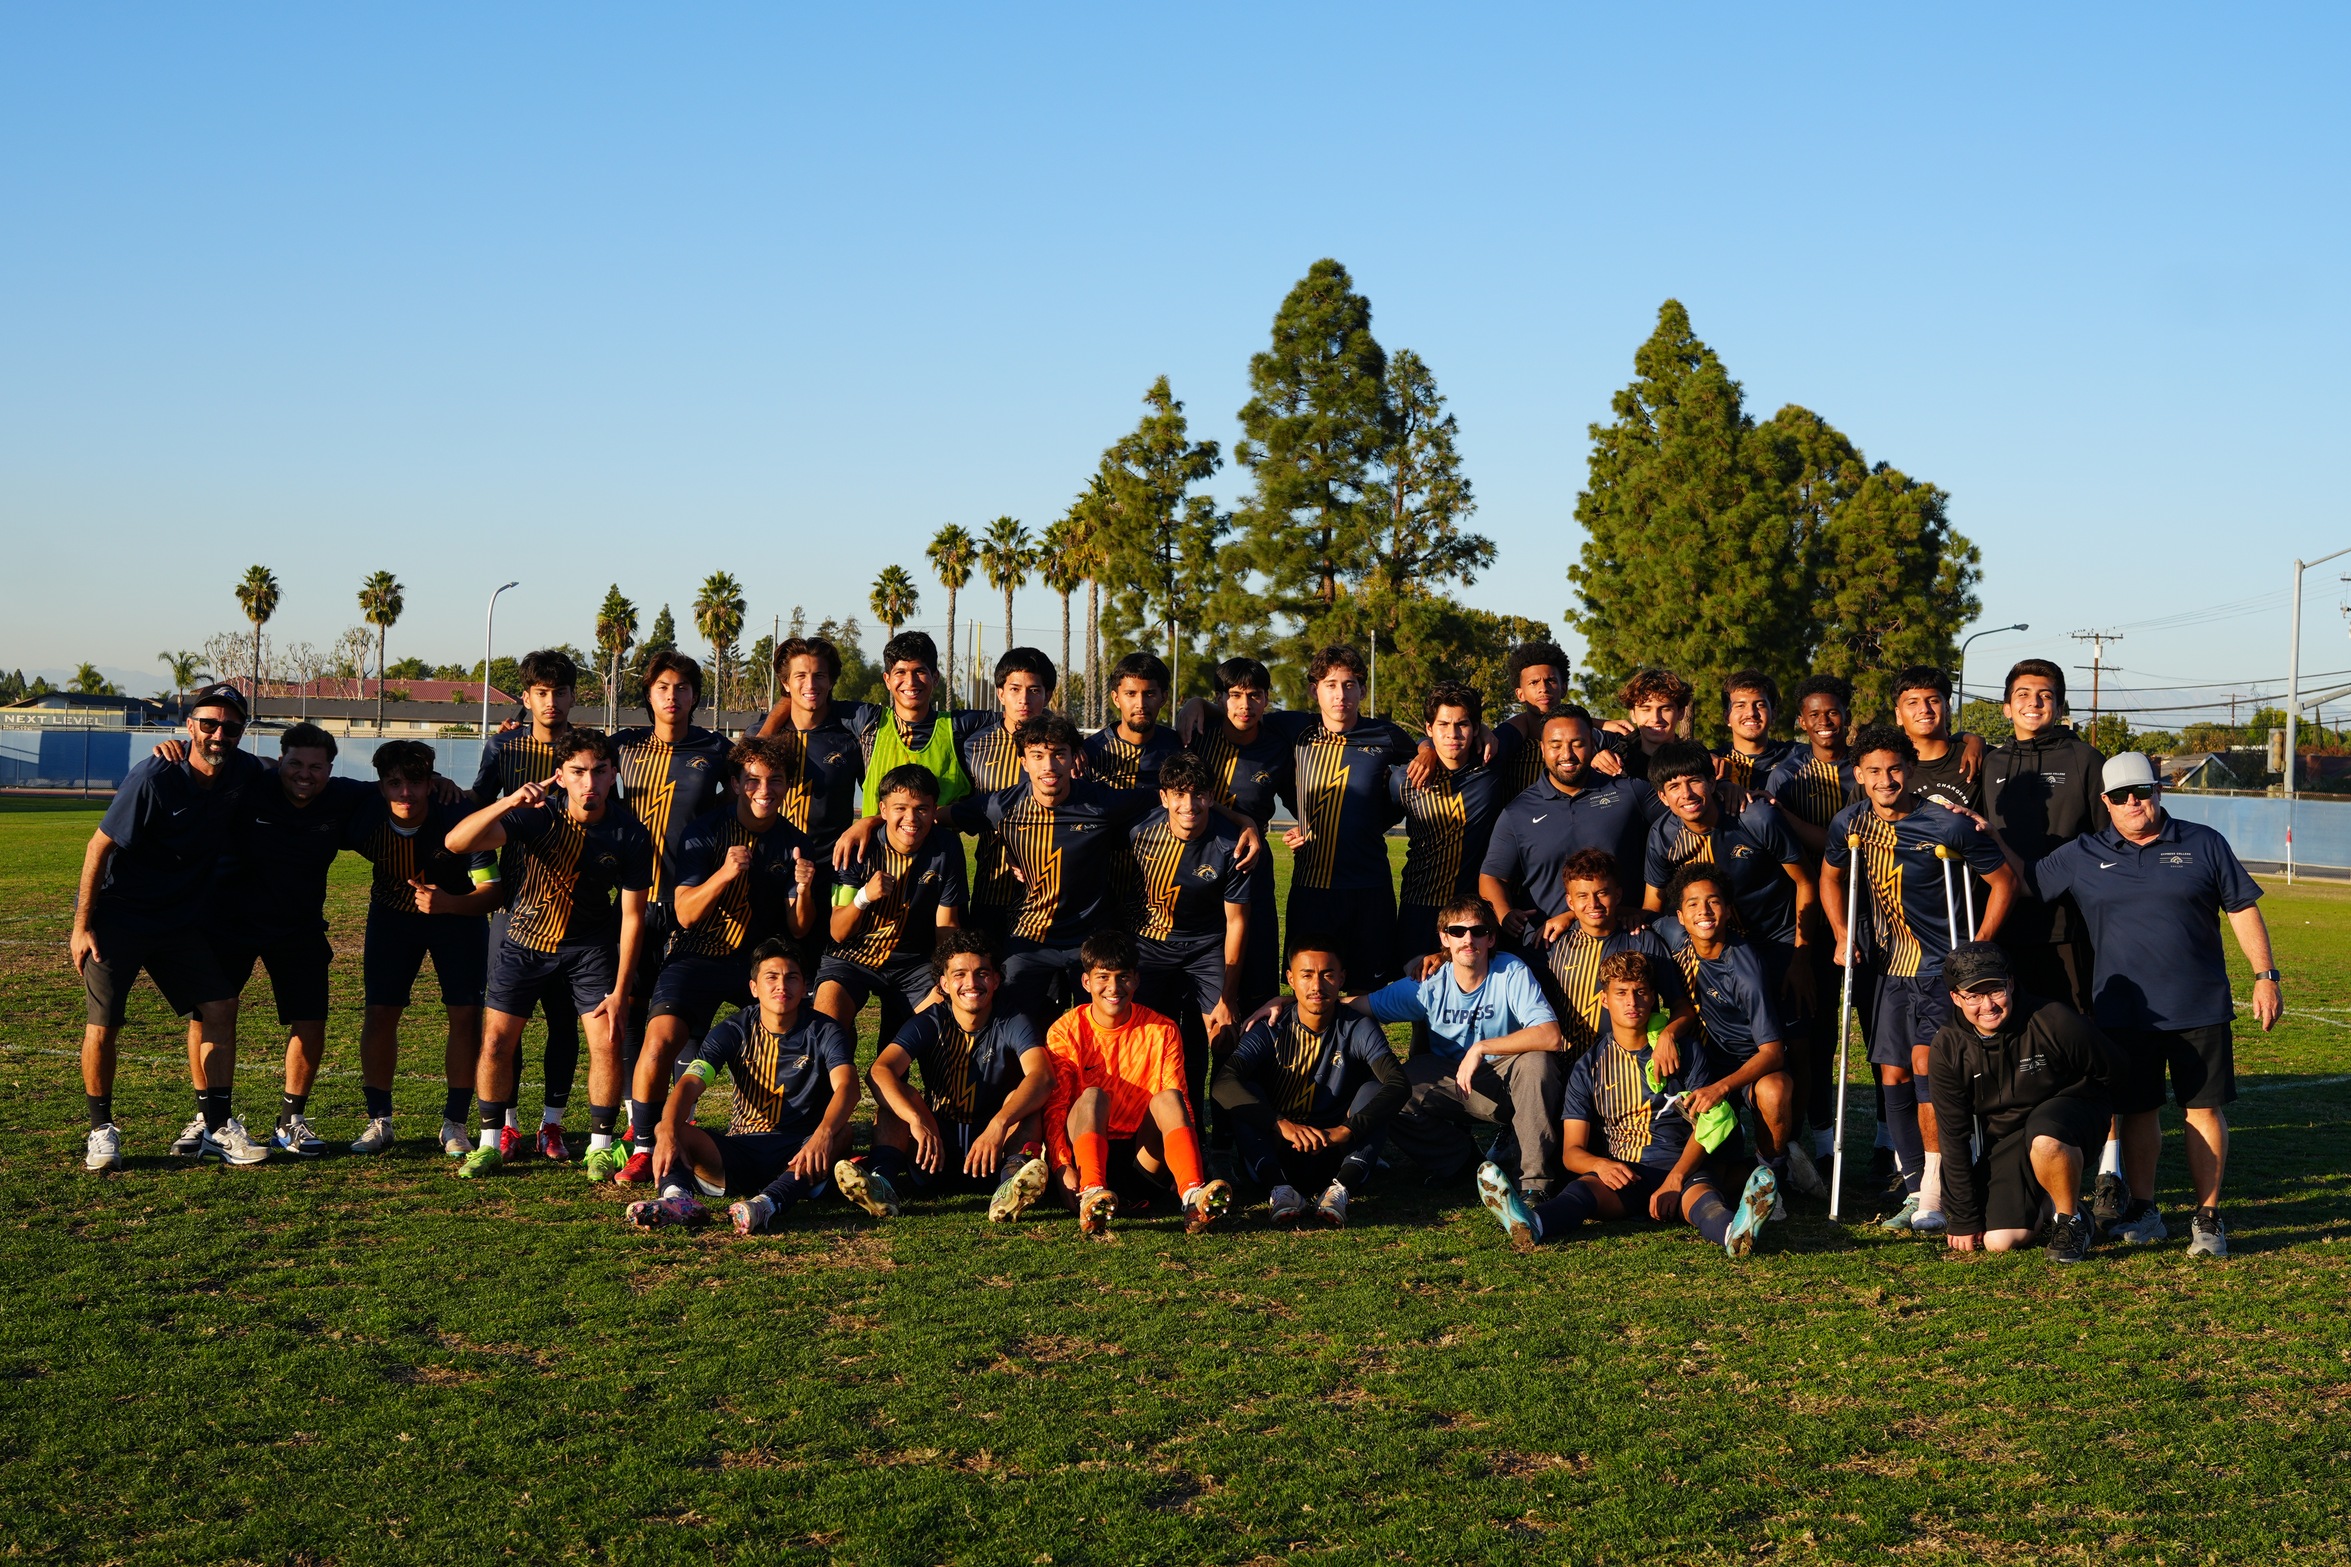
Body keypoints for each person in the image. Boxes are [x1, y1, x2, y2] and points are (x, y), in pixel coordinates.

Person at [2006, 752, 2280, 1259]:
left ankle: (2209, 1216)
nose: (2134, 802)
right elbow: (2019, 884)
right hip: (2123, 1012)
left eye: (2143, 792)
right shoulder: (2082, 852)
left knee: (2202, 1109)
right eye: (2120, 796)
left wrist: (2265, 977)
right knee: (2137, 1111)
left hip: (2199, 1006)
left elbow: (2242, 907)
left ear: (2159, 791)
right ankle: (2146, 1210)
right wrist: (1977, 832)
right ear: (2104, 802)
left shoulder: (2203, 842)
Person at [1820, 725, 2016, 1234]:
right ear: (1858, 776)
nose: (1885, 780)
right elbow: (1829, 876)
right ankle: (1914, 1186)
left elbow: (2002, 882)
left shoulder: (1946, 824)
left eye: (1894, 769)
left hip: (1938, 968)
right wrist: (1842, 932)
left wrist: (1977, 949)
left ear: (1909, 770)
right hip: (1889, 970)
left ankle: (1938, 1189)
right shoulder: (1850, 824)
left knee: (1930, 1067)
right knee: (1893, 1075)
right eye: (1874, 771)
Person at [73, 683, 267, 1170]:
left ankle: (217, 1127)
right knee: (105, 1024)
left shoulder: (244, 771)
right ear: (189, 726)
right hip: (120, 918)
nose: (219, 733)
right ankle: (101, 1130)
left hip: (180, 921)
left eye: (230, 725)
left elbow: (301, 776)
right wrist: (82, 926)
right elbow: (99, 849)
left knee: (220, 1005)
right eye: (209, 723)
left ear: (242, 731)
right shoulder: (154, 776)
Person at [446, 726, 654, 1178]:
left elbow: (633, 917)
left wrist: (620, 990)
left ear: (614, 774)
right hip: (524, 942)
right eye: (578, 771)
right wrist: (506, 802)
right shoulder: (535, 815)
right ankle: (487, 1142)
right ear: (560, 776)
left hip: (590, 949)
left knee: (607, 1041)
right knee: (497, 1041)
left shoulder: (631, 833)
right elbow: (456, 843)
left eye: (600, 772)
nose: (589, 783)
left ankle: (599, 1146)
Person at [1480, 952, 1777, 1259]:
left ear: (1654, 998)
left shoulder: (1684, 1051)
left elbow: (1709, 1124)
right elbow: (1572, 1152)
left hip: (1685, 1169)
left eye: (1640, 992)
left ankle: (1735, 1232)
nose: (1632, 1002)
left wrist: (1675, 1178)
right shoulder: (1589, 1066)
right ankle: (1530, 1223)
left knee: (1707, 1203)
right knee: (1580, 1193)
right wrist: (1600, 1165)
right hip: (1626, 1175)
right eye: (1621, 993)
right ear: (1605, 1000)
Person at [617, 734, 820, 1182]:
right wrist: (725, 872)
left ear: (787, 786)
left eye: (774, 781)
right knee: (659, 1042)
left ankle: (795, 1136)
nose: (763, 790)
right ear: (734, 783)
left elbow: (799, 928)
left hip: (758, 966)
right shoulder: (707, 830)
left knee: (801, 1044)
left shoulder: (795, 843)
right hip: (699, 954)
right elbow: (686, 915)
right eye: (752, 781)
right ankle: (647, 1144)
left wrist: (804, 889)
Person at [1639, 738, 1823, 1182]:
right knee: (1717, 1049)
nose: (1686, 793)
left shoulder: (1754, 817)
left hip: (1776, 946)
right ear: (1662, 797)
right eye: (1674, 786)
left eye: (1694, 780)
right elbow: (1653, 908)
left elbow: (1805, 882)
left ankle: (1787, 1147)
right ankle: (1728, 1151)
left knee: (1792, 1050)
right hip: (1712, 953)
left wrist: (1801, 956)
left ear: (1714, 780)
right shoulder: (1663, 835)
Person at [195, 722, 382, 1158]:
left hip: (298, 927)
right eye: (295, 763)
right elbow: (206, 762)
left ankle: (290, 1120)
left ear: (330, 769)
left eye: (316, 767)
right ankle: (208, 1119)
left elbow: (392, 786)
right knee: (208, 1017)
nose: (305, 774)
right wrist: (170, 748)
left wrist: (439, 781)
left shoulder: (343, 795)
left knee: (310, 1020)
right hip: (230, 924)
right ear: (279, 761)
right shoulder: (252, 785)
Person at [1973, 659, 2112, 1207]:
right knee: (2015, 1051)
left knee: (2084, 1048)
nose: (2035, 702)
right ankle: (2023, 1166)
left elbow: (2109, 841)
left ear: (2060, 703)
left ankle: (2108, 1171)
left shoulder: (2083, 759)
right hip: (2005, 933)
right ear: (2006, 706)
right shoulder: (1988, 760)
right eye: (2024, 694)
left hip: (2071, 932)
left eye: (2047, 694)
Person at [627, 939, 859, 1235]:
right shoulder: (733, 1029)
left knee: (842, 1132)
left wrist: (823, 1134)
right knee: (672, 1128)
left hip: (799, 1148)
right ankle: (678, 1201)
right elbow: (689, 1084)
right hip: (740, 1147)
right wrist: (668, 1129)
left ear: (804, 988)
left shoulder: (825, 1029)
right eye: (771, 977)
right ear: (753, 988)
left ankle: (767, 1204)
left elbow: (848, 1087)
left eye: (792, 978)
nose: (781, 986)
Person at [343, 740, 504, 1157]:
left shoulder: (456, 815)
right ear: (380, 786)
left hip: (458, 920)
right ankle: (379, 1119)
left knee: (465, 1016)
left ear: (432, 782)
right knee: (380, 1013)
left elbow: (491, 891)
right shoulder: (362, 810)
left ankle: (455, 1122)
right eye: (394, 783)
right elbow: (293, 776)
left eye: (415, 782)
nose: (406, 794)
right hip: (392, 919)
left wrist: (450, 903)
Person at [1356, 893, 1565, 1198]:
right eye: (1457, 932)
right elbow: (1360, 1005)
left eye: (1478, 931)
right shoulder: (1428, 981)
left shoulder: (1511, 970)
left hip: (1508, 1079)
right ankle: (1459, 1161)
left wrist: (1480, 1048)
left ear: (1492, 938)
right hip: (1453, 1083)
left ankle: (1535, 1185)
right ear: (1444, 938)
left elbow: (1550, 1035)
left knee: (1537, 1062)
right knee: (1389, 1090)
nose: (1469, 940)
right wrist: (1292, 1002)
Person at [842, 929, 1055, 1222]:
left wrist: (998, 1123)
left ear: (996, 980)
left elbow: (1042, 1076)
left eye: (982, 973)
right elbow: (880, 1071)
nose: (971, 983)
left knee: (1024, 1104)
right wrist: (916, 1119)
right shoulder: (930, 1020)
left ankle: (1010, 1185)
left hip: (993, 1149)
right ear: (943, 983)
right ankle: (883, 1185)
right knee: (898, 1098)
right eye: (959, 974)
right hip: (935, 1148)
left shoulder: (1013, 1020)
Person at [1925, 943, 2117, 1263]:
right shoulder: (1947, 1048)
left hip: (2066, 1115)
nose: (1987, 1005)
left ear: (2011, 984)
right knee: (2001, 1241)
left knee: (2045, 1133)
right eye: (1974, 995)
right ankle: (2050, 1200)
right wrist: (1963, 1217)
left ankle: (2071, 1223)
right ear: (1956, 998)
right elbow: (1954, 1136)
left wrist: (2096, 1125)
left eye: (1996, 990)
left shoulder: (2053, 1019)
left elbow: (2113, 1070)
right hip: (2009, 1136)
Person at [611, 649, 734, 1148]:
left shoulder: (716, 748)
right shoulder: (624, 747)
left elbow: (753, 789)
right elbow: (571, 763)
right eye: (662, 686)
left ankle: (678, 1113)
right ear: (648, 694)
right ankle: (632, 1116)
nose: (672, 695)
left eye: (681, 687)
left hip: (692, 900)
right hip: (635, 900)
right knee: (632, 1008)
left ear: (694, 696)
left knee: (686, 1012)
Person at [469, 648, 587, 1156]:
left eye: (560, 692)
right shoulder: (504, 749)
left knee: (563, 1020)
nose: (552, 702)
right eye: (542, 693)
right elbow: (475, 819)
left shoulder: (587, 751)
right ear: (527, 697)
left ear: (572, 697)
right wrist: (489, 885)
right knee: (506, 1020)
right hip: (513, 907)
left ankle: (552, 1123)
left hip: (570, 905)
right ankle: (509, 1122)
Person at [1042, 929, 1232, 1236]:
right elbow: (1056, 1108)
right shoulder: (1065, 1030)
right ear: (1086, 982)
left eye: (1123, 977)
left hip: (1144, 1158)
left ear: (1137, 980)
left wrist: (1184, 1163)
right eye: (1103, 977)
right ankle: (1091, 1193)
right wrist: (1062, 1167)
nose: (1113, 987)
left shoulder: (1163, 1029)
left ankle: (1193, 1194)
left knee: (1169, 1096)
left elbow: (1179, 1102)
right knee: (1092, 1096)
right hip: (1087, 1151)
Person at [1212, 940, 1407, 1226]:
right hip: (1277, 1150)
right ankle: (1279, 1190)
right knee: (1245, 1093)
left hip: (1337, 1153)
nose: (1317, 985)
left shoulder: (1357, 1026)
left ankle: (1339, 1191)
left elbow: (1398, 1083)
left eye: (1328, 974)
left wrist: (1346, 1130)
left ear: (1342, 978)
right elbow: (1223, 1083)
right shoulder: (1270, 1027)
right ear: (1290, 978)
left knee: (1375, 1090)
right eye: (1306, 975)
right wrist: (1279, 1124)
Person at [1650, 863, 1804, 1200]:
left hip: (1748, 1066)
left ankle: (1769, 1183)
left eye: (1714, 902)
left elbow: (1773, 1052)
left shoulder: (1746, 969)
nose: (1703, 911)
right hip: (1701, 1060)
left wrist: (1721, 1087)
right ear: (1679, 916)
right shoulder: (1670, 933)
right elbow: (1623, 918)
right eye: (1693, 904)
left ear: (1729, 911)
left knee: (1774, 1092)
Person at [1277, 646, 1424, 991]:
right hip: (1312, 888)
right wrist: (1198, 705)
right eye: (1330, 684)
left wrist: (1428, 749)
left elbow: (1426, 745)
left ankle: (1364, 1048)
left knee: (1366, 994)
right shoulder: (1295, 730)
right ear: (1315, 690)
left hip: (1368, 888)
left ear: (1363, 690)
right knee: (1312, 991)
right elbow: (1240, 718)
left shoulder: (1385, 735)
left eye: (1350, 684)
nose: (1340, 694)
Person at [1764, 673, 1861, 1161]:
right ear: (1801, 722)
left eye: (1834, 711)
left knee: (1877, 1033)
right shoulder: (1787, 772)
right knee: (1818, 1029)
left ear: (1848, 713)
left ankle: (1885, 1141)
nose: (1826, 722)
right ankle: (1823, 1139)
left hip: (1875, 908)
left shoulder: (1866, 766)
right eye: (1814, 715)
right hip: (1815, 915)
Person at [1128, 750, 1256, 1116]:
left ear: (1211, 797)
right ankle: (1149, 1123)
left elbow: (1237, 922)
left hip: (1206, 948)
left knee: (1224, 1036)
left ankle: (1226, 1130)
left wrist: (1228, 997)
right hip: (1151, 947)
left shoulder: (1232, 846)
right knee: (1151, 1041)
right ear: (1164, 797)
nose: (1189, 804)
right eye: (1179, 794)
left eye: (1198, 794)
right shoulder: (1139, 834)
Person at [1479, 707, 1667, 953]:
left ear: (1592, 744)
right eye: (1555, 745)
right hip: (1548, 948)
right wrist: (1504, 913)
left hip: (1622, 943)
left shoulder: (1630, 792)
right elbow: (1492, 876)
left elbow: (1681, 823)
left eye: (1577, 743)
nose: (1566, 754)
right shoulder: (1518, 812)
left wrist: (1648, 909)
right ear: (1543, 748)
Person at [814, 762, 966, 1041]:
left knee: (944, 1029)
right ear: (883, 811)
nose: (911, 818)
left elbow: (947, 923)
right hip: (853, 958)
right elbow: (837, 931)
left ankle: (894, 1073)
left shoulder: (946, 848)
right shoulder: (857, 846)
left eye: (921, 808)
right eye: (900, 808)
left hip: (915, 964)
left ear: (934, 811)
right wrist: (863, 897)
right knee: (826, 1030)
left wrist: (948, 974)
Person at [1183, 656, 1294, 1010]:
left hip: (1251, 866)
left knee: (1256, 980)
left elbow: (1303, 803)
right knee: (1200, 981)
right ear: (1219, 699)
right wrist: (1240, 819)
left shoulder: (1279, 747)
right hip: (1196, 865)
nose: (1245, 704)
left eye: (1255, 695)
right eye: (1235, 694)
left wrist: (1308, 829)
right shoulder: (1196, 739)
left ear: (1266, 698)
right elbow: (1181, 796)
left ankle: (1251, 1061)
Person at [1391, 681, 1521, 966]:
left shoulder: (1491, 762)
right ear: (1429, 728)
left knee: (1472, 991)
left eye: (1462, 724)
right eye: (1443, 725)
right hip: (1418, 907)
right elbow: (1369, 821)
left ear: (1475, 728)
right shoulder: (1403, 779)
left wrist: (1603, 725)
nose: (1452, 734)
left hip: (1472, 911)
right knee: (1415, 993)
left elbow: (1528, 720)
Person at [1541, 850, 1689, 1060]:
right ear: (1570, 902)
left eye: (1602, 893)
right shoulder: (1553, 945)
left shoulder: (1644, 941)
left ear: (1618, 894)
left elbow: (1681, 1007)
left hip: (1638, 1066)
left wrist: (1667, 1036)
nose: (1593, 904)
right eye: (1582, 895)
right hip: (1572, 1066)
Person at [956, 648, 1058, 949]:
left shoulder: (1065, 747)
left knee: (1045, 990)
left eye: (1034, 690)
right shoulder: (975, 746)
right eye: (1015, 689)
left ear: (1048, 695)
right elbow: (965, 809)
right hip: (992, 885)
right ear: (1000, 693)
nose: (1024, 699)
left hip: (1048, 893)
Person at [753, 634, 880, 865]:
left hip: (830, 870)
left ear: (831, 681)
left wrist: (867, 822)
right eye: (800, 676)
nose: (810, 685)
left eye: (819, 675)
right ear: (785, 683)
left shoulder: (850, 740)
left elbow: (882, 798)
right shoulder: (759, 736)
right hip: (765, 870)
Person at [1889, 664, 1984, 815]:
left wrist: (1976, 740)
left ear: (1947, 708)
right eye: (1913, 702)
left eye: (1933, 700)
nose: (1924, 709)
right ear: (1898, 715)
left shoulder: (1977, 758)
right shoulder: (1884, 766)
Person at [1084, 651, 1182, 790]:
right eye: (1131, 694)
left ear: (1163, 698)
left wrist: (1199, 703)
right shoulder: (1091, 752)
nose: (1140, 704)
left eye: (1150, 694)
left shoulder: (1178, 747)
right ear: (1116, 698)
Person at [1493, 642, 1573, 798]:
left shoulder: (1587, 743)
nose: (1543, 688)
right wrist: (1429, 745)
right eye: (1533, 682)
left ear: (1563, 688)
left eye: (1550, 680)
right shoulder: (1506, 746)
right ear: (1520, 694)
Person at [1712, 669, 1796, 793]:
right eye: (1740, 706)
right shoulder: (1713, 762)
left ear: (1773, 715)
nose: (1751, 713)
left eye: (1760, 705)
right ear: (1726, 717)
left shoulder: (1795, 757)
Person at [1609, 668, 1696, 782]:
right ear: (1633, 715)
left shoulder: (1696, 763)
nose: (1655, 718)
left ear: (1681, 713)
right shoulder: (1615, 763)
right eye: (1646, 709)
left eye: (1665, 709)